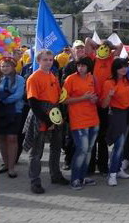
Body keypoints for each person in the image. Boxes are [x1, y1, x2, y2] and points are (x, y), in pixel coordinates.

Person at [25, 49, 69, 194]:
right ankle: (35, 181)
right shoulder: (33, 78)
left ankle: (55, 175)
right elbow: (33, 102)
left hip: (54, 114)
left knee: (56, 148)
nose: (49, 62)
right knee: (36, 152)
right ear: (39, 61)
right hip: (41, 115)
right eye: (45, 60)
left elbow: (58, 98)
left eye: (50, 60)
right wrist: (47, 120)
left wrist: (60, 116)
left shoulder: (52, 76)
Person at [84, 38, 123, 176]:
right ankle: (90, 166)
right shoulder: (93, 59)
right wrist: (99, 45)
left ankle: (103, 166)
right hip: (92, 102)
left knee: (102, 136)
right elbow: (87, 40)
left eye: (106, 48)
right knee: (92, 136)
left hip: (105, 103)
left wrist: (109, 46)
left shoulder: (111, 59)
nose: (104, 50)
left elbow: (120, 46)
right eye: (102, 48)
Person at [62, 57, 100, 190]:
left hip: (93, 118)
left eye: (83, 66)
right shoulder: (70, 79)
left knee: (89, 150)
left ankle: (82, 177)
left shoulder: (92, 78)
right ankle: (75, 179)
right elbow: (64, 100)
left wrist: (94, 99)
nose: (80, 68)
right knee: (82, 149)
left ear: (88, 67)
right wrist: (83, 98)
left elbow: (96, 96)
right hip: (78, 119)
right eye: (79, 65)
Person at [101, 58, 129, 186]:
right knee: (119, 145)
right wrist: (110, 95)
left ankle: (118, 169)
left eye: (125, 66)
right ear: (115, 69)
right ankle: (112, 173)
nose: (124, 69)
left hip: (127, 113)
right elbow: (104, 105)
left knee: (122, 144)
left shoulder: (126, 80)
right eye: (121, 67)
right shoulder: (109, 82)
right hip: (116, 115)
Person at [0, 57, 25, 178]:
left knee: (12, 138)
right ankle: (5, 164)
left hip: (15, 112)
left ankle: (11, 167)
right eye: (3, 66)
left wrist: (2, 100)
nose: (5, 68)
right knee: (1, 138)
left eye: (7, 66)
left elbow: (18, 95)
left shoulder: (19, 79)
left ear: (13, 67)